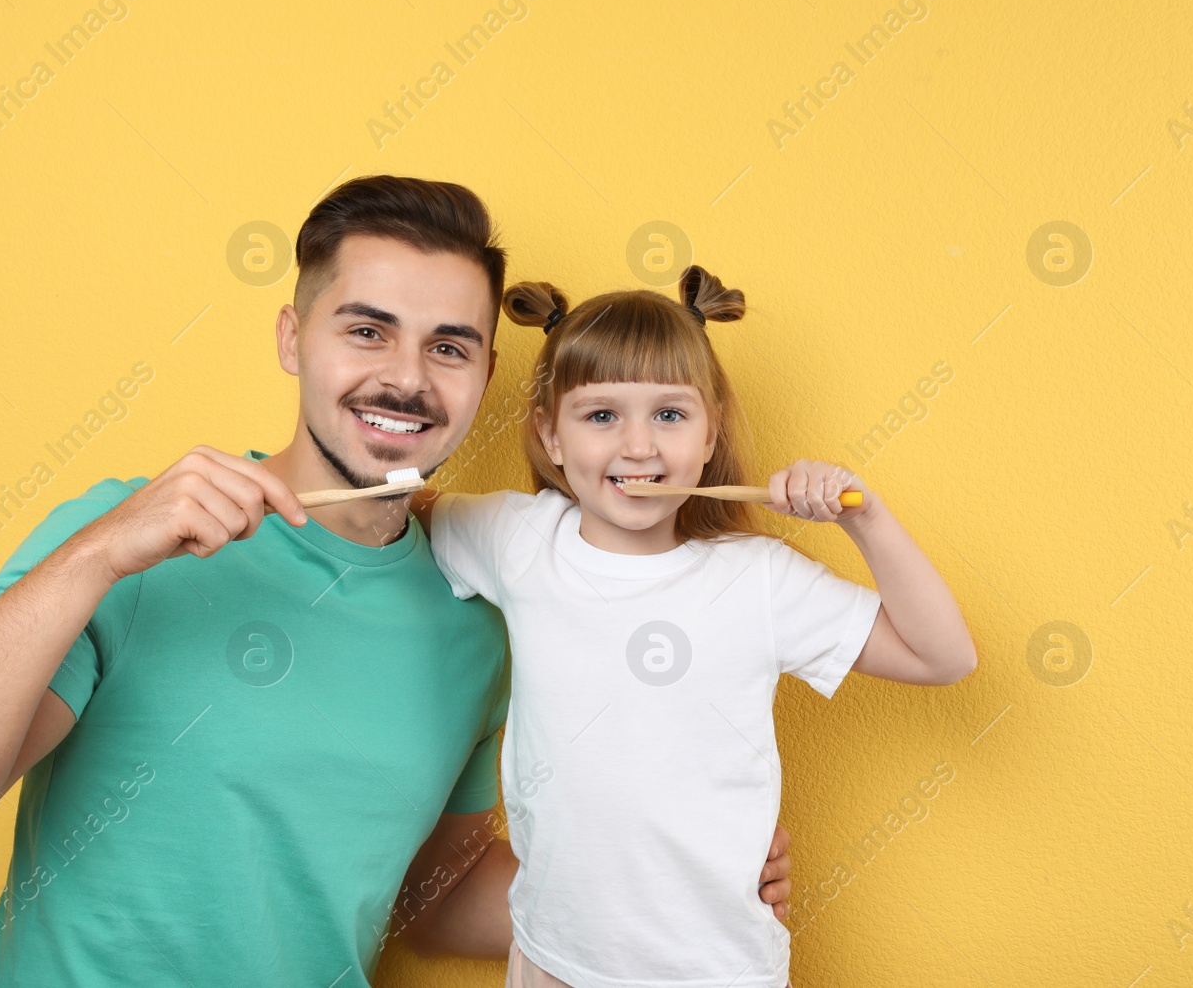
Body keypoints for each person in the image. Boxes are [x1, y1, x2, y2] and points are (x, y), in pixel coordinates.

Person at [0, 175, 795, 987]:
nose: (407, 376)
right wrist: (97, 554)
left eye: (447, 345)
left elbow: (426, 892)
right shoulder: (126, 538)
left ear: (485, 369)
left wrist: (677, 877)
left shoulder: (475, 614)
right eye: (365, 330)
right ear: (293, 336)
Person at [414, 268, 977, 988]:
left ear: (711, 431)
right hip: (550, 960)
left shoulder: (759, 579)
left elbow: (944, 655)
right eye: (601, 416)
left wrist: (864, 517)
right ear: (550, 435)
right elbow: (393, 516)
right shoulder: (513, 537)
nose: (640, 447)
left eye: (670, 415)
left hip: (716, 970)